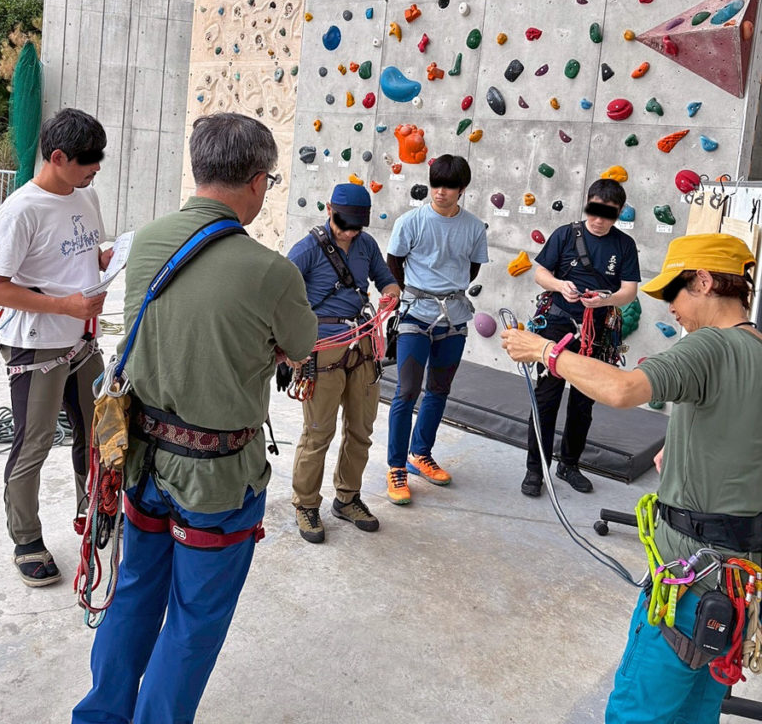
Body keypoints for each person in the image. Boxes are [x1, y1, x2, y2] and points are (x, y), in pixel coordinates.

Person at [72, 113, 317, 724]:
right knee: (193, 622)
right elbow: (301, 345)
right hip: (218, 479)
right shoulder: (272, 271)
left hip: (142, 463)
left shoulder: (147, 240)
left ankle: (100, 715)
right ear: (258, 182)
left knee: (134, 592)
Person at [502, 232, 762, 724]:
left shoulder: (708, 345)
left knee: (637, 714)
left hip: (689, 585)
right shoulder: (757, 347)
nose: (671, 309)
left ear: (703, 281)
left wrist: (544, 351)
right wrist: (682, 443)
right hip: (741, 587)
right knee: (696, 714)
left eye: (673, 294)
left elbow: (623, 389)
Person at [0, 108, 109, 587]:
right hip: (36, 345)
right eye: (88, 159)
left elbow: (85, 253)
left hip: (81, 340)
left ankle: (94, 510)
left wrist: (108, 257)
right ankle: (26, 540)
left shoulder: (86, 194)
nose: (96, 167)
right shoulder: (20, 211)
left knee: (99, 431)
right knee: (35, 442)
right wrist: (64, 305)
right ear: (57, 157)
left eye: (100, 157)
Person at [287, 183, 400, 543]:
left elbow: (387, 280)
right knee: (318, 432)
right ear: (329, 210)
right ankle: (306, 504)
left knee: (361, 430)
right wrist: (289, 347)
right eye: (344, 224)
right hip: (322, 349)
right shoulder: (307, 249)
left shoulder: (366, 245)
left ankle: (347, 498)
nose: (350, 232)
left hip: (362, 345)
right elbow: (280, 297)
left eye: (356, 226)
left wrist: (391, 294)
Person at [521, 178, 640, 498]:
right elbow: (540, 273)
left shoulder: (624, 245)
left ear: (619, 213)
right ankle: (535, 468)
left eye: (608, 214)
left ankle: (569, 464)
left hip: (597, 329)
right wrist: (560, 286)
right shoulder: (565, 234)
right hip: (557, 323)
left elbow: (629, 291)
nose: (598, 220)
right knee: (546, 397)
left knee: (584, 401)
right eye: (594, 211)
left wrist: (604, 300)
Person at [385, 154, 488, 505]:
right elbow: (394, 263)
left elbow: (472, 269)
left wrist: (448, 291)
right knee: (406, 391)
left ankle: (420, 454)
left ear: (462, 189)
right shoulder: (410, 221)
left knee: (439, 390)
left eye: (448, 186)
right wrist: (413, 295)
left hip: (454, 319)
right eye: (435, 184)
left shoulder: (474, 227)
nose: (440, 192)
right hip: (415, 315)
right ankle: (396, 466)